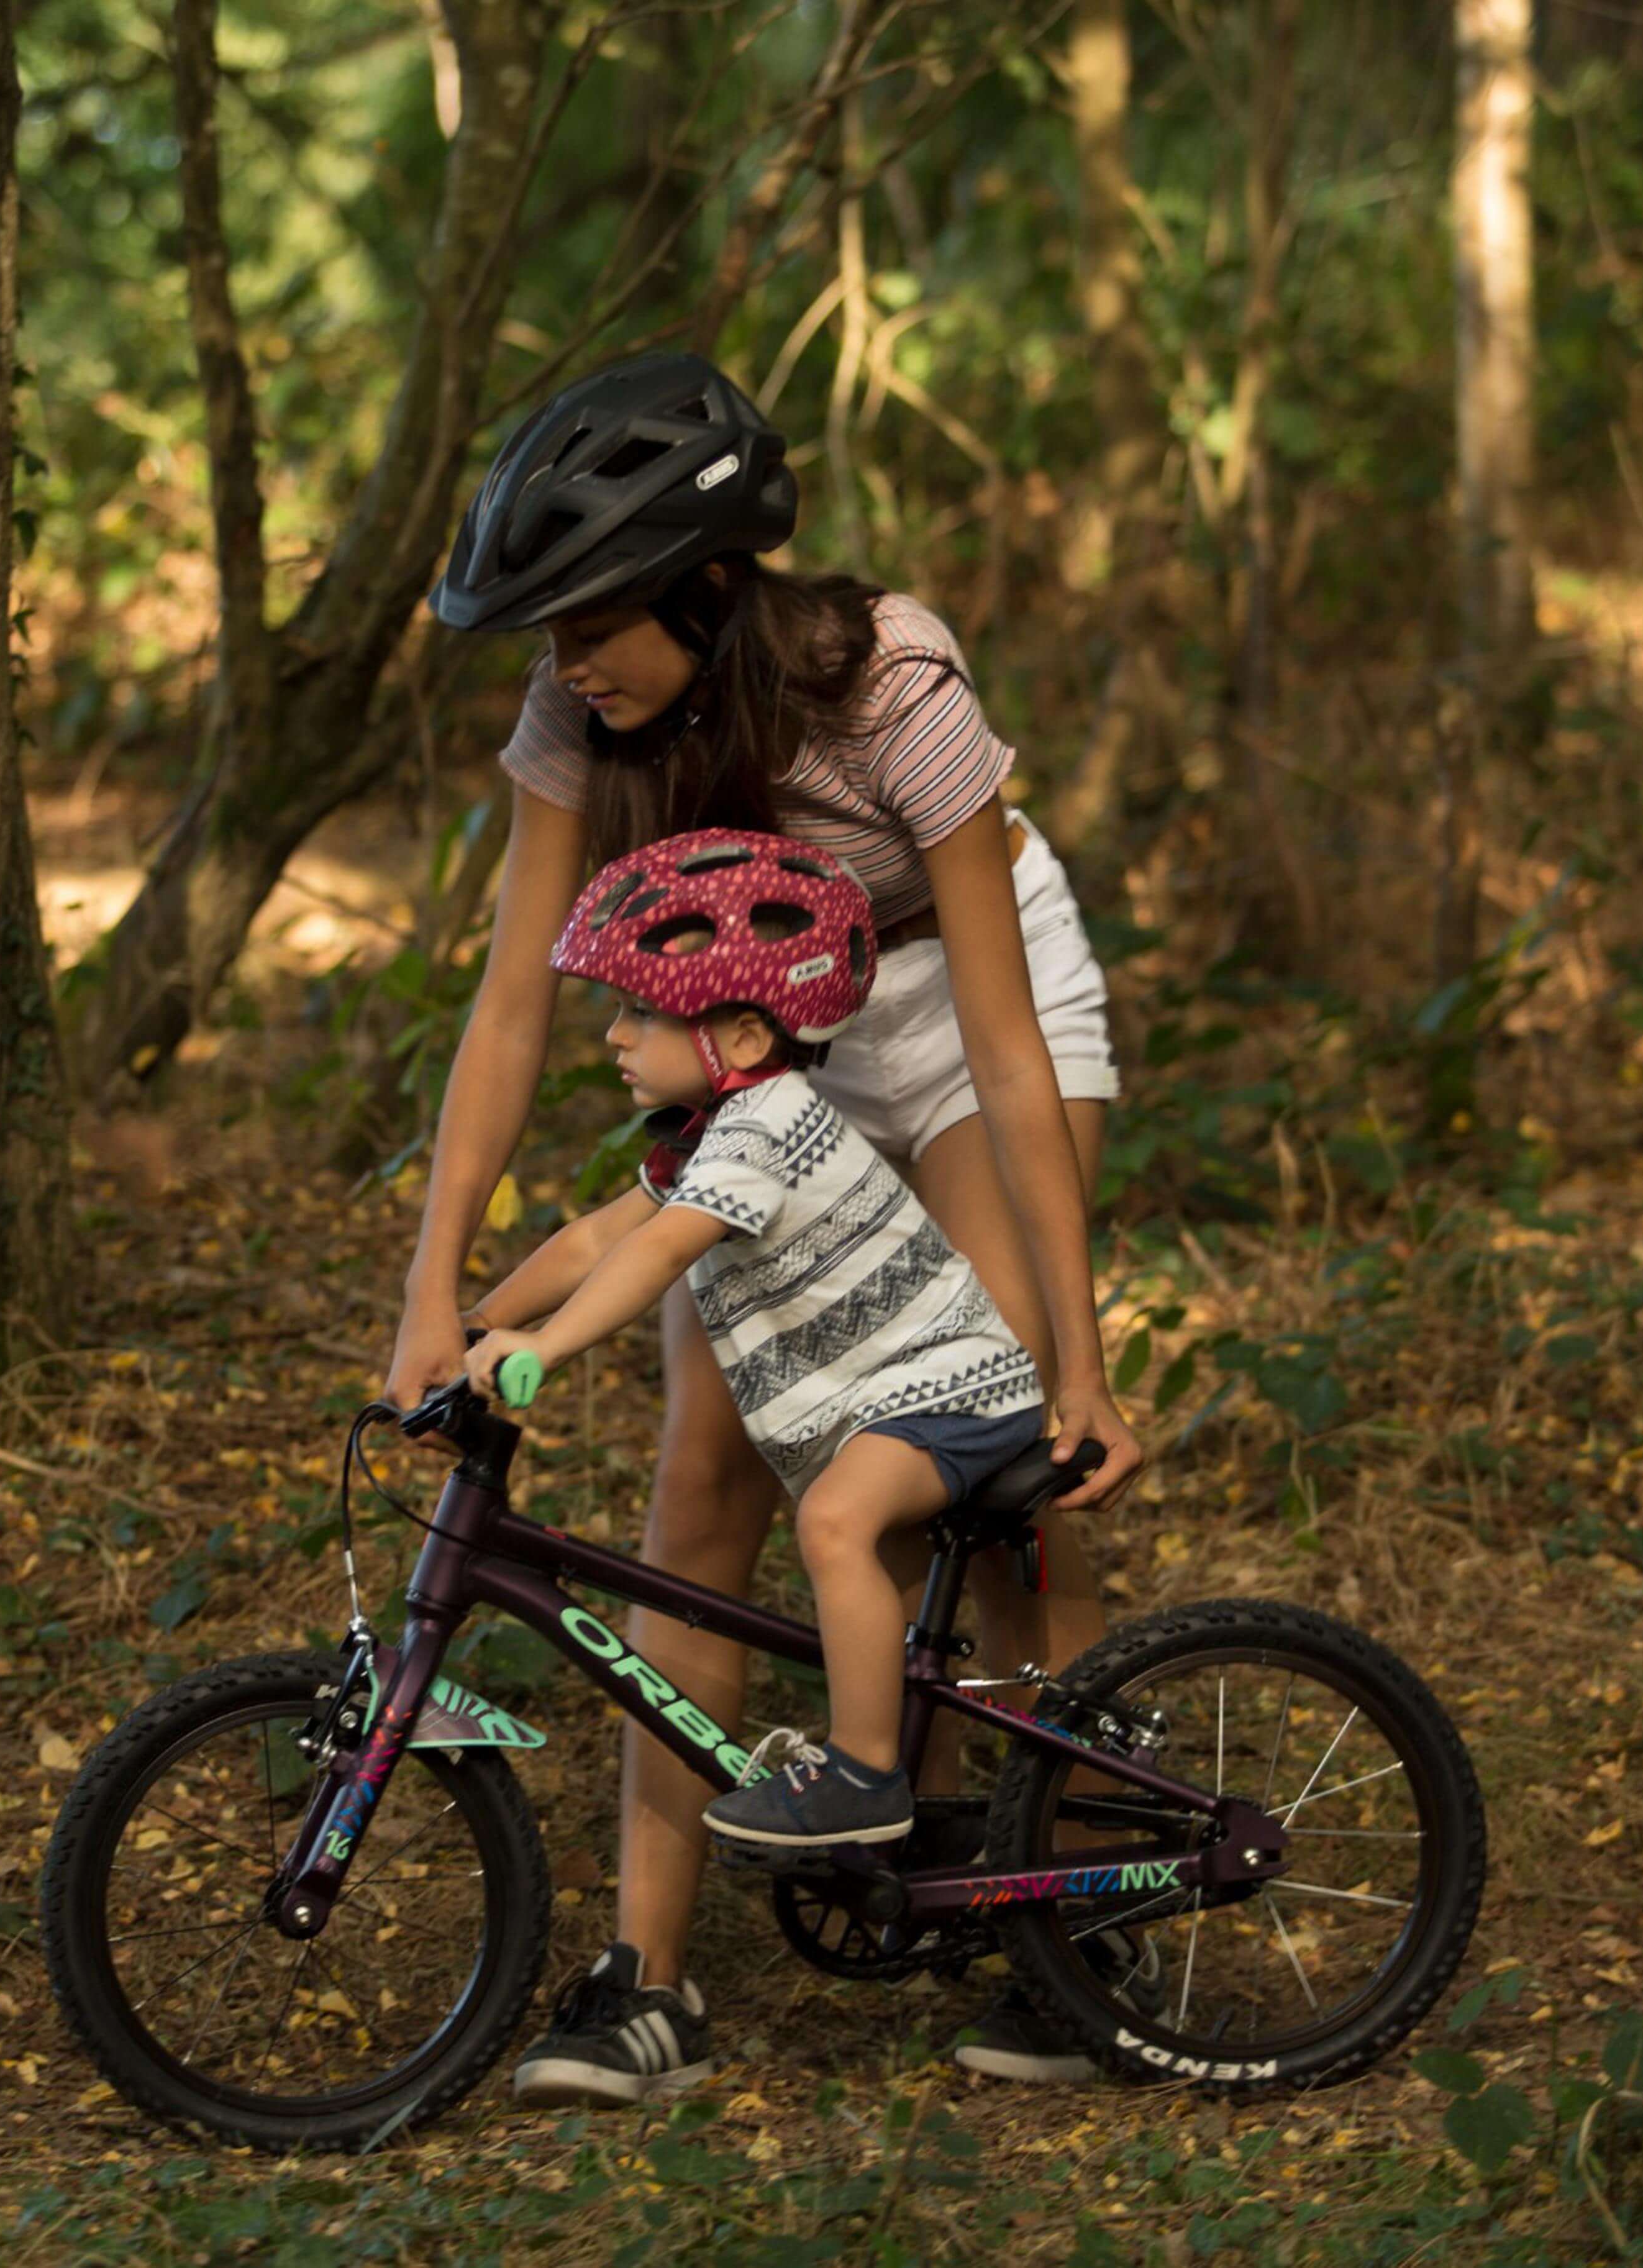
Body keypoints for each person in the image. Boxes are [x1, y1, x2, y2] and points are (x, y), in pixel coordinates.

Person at [389, 349, 1142, 2104]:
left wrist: (1081, 1356)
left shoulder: (888, 676)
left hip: (953, 1004)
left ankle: (1079, 1905)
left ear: (708, 585)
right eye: (548, 635)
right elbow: (510, 1009)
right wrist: (432, 1290)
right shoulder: (582, 714)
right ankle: (645, 1979)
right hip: (749, 1032)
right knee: (704, 1478)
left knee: (998, 1435)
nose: (563, 666)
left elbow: (1004, 1035)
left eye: (590, 624)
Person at [460, 830, 1050, 1873]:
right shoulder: (708, 1134)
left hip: (953, 1390)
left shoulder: (762, 1131)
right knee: (845, 1531)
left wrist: (543, 1351)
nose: (614, 1036)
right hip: (898, 1396)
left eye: (642, 1012)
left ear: (737, 1038)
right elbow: (597, 1236)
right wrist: (474, 1327)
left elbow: (653, 1257)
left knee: (832, 1522)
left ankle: (861, 1777)